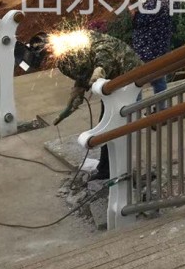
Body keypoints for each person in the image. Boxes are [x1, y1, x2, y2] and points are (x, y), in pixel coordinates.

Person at [29, 30, 143, 181]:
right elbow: (83, 73)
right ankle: (106, 169)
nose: (46, 63)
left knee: (117, 124)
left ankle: (119, 173)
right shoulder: (62, 61)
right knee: (107, 123)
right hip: (109, 83)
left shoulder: (80, 40)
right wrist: (77, 93)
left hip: (128, 74)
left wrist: (100, 70)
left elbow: (104, 50)